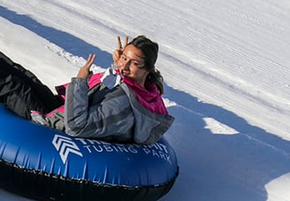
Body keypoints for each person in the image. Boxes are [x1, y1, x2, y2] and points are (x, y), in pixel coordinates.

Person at [0, 35, 173, 144]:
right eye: (123, 57)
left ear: (147, 69)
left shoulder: (124, 105)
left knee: (9, 82)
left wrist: (81, 80)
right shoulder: (139, 87)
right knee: (19, 72)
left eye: (134, 63)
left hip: (50, 123)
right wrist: (117, 65)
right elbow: (104, 94)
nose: (124, 65)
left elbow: (76, 127)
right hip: (59, 109)